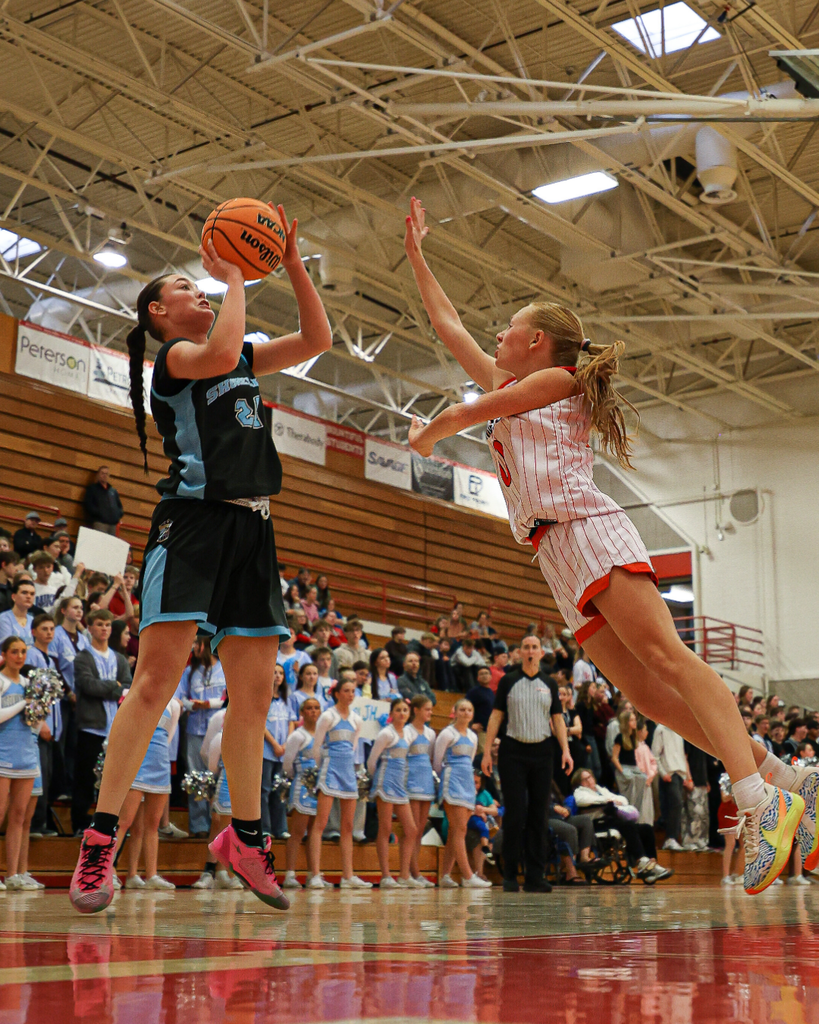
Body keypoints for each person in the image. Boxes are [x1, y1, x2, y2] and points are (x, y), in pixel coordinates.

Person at [403, 194, 812, 897]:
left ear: (537, 342)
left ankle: (755, 800)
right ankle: (782, 777)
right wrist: (415, 255)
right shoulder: (516, 379)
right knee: (645, 694)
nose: (496, 338)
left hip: (586, 527)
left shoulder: (556, 381)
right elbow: (447, 327)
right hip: (554, 556)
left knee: (667, 658)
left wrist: (431, 431)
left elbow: (477, 409)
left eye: (507, 330)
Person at [69, 206, 332, 914]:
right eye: (186, 288)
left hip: (254, 532)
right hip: (190, 528)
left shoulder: (239, 352)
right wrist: (239, 271)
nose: (201, 291)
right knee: (153, 685)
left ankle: (245, 839)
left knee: (253, 697)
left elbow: (316, 337)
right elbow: (219, 353)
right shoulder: (177, 361)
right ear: (159, 312)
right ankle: (99, 841)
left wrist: (290, 260)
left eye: (201, 284)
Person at [480, 635, 571, 893]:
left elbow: (558, 720)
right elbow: (495, 718)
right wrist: (487, 752)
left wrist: (565, 750)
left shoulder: (550, 684)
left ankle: (534, 875)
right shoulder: (509, 681)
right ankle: (510, 874)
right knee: (515, 813)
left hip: (542, 753)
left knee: (539, 815)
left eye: (534, 647)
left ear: (541, 653)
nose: (530, 651)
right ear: (519, 652)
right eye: (526, 647)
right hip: (513, 752)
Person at [71, 609, 132, 836]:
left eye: (107, 624)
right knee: (85, 778)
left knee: (113, 779)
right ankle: (79, 823)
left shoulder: (120, 659)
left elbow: (127, 687)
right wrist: (113, 686)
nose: (104, 628)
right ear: (90, 628)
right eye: (99, 624)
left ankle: (108, 826)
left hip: (115, 728)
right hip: (91, 727)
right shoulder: (82, 657)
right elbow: (88, 686)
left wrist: (109, 686)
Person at [113, 698, 181, 890]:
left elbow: (169, 736)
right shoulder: (135, 694)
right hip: (137, 761)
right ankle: (107, 870)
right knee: (125, 821)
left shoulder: (174, 705)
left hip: (160, 762)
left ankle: (148, 875)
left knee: (151, 825)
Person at [310, 678, 370, 888]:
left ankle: (348, 876)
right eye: (346, 690)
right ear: (337, 693)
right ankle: (315, 875)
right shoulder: (328, 716)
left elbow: (353, 749)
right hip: (330, 770)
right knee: (321, 823)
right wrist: (322, 770)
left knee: (347, 826)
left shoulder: (357, 720)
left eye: (353, 691)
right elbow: (316, 748)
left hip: (348, 774)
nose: (351, 694)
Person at [571, 769, 672, 883]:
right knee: (627, 826)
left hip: (611, 820)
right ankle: (641, 861)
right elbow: (581, 801)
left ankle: (652, 866)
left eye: (590, 777)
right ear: (580, 783)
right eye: (585, 779)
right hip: (597, 823)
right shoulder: (580, 791)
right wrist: (607, 801)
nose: (589, 780)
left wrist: (611, 800)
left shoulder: (601, 790)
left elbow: (623, 800)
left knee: (646, 828)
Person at [434, 699, 490, 888]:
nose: (466, 713)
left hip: (467, 783)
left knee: (455, 831)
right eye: (462, 709)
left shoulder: (473, 737)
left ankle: (445, 876)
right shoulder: (447, 733)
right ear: (455, 712)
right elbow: (437, 761)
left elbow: (471, 760)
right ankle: (467, 876)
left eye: (469, 710)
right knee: (460, 830)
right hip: (452, 782)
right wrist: (446, 780)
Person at [0, 636, 40, 890]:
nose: (20, 656)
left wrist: (39, 709)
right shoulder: (1, 681)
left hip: (26, 755)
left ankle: (13, 874)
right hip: (3, 755)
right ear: (4, 654)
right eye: (14, 651)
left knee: (18, 816)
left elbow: (34, 724)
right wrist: (24, 703)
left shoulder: (29, 683)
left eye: (23, 652)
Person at [175, 638, 226, 837]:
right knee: (196, 776)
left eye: (196, 645)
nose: (193, 648)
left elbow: (228, 698)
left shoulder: (224, 668)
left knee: (217, 776)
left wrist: (208, 704)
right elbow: (181, 697)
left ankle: (219, 823)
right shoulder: (189, 671)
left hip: (219, 730)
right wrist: (192, 705)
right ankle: (199, 826)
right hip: (195, 729)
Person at [367, 697, 418, 887]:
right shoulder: (386, 734)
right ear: (391, 714)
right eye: (398, 710)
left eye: (405, 710)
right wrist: (378, 781)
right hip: (386, 781)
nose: (402, 713)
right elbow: (372, 761)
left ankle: (404, 875)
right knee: (385, 828)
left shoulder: (409, 734)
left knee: (411, 829)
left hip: (400, 784)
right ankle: (386, 875)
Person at [23, 613, 64, 837]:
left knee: (51, 777)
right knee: (40, 777)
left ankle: (42, 821)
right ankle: (35, 825)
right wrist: (41, 724)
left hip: (54, 727)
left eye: (51, 629)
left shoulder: (51, 658)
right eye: (44, 629)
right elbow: (34, 693)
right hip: (40, 727)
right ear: (34, 632)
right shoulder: (31, 655)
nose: (49, 632)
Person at [282, 696, 326, 890]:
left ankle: (314, 874)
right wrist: (301, 778)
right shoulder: (297, 736)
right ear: (302, 712)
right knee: (298, 831)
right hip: (302, 786)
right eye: (309, 708)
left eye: (317, 708)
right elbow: (287, 765)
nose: (314, 711)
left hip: (320, 788)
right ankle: (290, 874)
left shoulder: (324, 735)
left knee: (316, 831)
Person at [261, 664, 296, 839]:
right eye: (274, 672)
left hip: (282, 753)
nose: (277, 676)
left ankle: (281, 827)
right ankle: (265, 827)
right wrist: (275, 744)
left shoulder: (286, 699)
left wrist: (286, 744)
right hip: (267, 751)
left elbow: (291, 721)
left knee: (280, 790)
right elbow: (260, 724)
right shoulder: (262, 697)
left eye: (281, 673)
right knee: (265, 790)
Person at [405, 695, 436, 887]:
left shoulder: (431, 734)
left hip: (426, 780)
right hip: (411, 780)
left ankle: (415, 872)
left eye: (431, 710)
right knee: (412, 829)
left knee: (420, 829)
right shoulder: (407, 731)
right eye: (427, 709)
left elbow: (432, 757)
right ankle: (411, 871)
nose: (430, 713)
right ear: (415, 710)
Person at [83, 467, 124, 535]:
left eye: (106, 474)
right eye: (102, 473)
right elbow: (88, 505)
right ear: (98, 475)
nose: (104, 475)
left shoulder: (113, 491)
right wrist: (100, 514)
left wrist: (117, 515)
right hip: (100, 523)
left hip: (113, 525)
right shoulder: (92, 489)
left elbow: (119, 506)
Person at [0, 577, 36, 646]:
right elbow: (9, 647)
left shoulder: (32, 620)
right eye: (24, 593)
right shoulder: (4, 619)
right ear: (13, 597)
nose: (29, 596)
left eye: (32, 594)